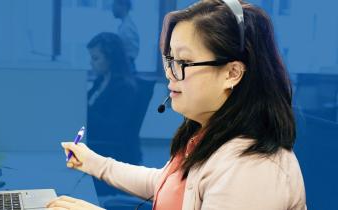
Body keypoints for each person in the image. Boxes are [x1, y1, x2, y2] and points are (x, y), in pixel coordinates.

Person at [48, 0, 306, 209]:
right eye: (170, 60)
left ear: (232, 73)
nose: (170, 74)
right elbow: (166, 182)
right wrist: (93, 163)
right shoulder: (208, 132)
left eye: (183, 62)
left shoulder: (253, 169)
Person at [86, 32, 144, 197]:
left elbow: (114, 127)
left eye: (95, 58)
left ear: (111, 59)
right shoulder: (101, 81)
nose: (91, 63)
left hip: (113, 150)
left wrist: (85, 112)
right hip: (100, 143)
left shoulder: (124, 87)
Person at [112, 0, 139, 72]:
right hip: (126, 65)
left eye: (114, 6)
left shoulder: (127, 27)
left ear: (123, 6)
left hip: (126, 66)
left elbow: (128, 52)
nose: (112, 9)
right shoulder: (125, 25)